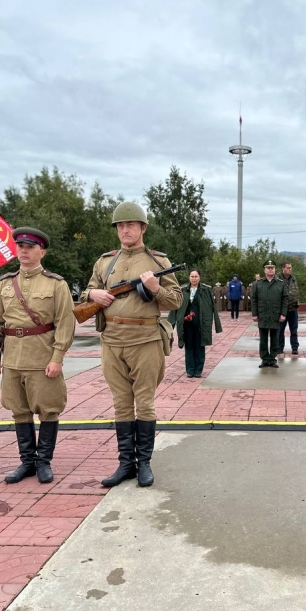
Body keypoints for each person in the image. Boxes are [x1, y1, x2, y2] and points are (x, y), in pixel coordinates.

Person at [81, 202, 182, 488]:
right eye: (120, 226)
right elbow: (88, 291)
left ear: (143, 228)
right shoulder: (105, 262)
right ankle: (126, 463)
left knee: (145, 403)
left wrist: (155, 289)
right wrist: (94, 294)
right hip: (112, 341)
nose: (125, 230)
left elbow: (175, 301)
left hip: (145, 341)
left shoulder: (158, 261)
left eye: (131, 225)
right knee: (121, 404)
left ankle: (144, 464)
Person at [0, 227, 76, 484]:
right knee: (19, 411)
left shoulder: (56, 284)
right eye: (20, 247)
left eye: (30, 247)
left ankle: (43, 462)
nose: (24, 251)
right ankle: (27, 462)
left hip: (42, 357)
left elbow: (65, 323)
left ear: (42, 251)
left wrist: (57, 357)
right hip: (13, 359)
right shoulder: (4, 284)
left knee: (49, 411)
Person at [168, 269, 222, 378]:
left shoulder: (206, 290)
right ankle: (190, 369)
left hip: (200, 324)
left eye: (196, 276)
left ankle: (198, 370)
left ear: (199, 277)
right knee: (189, 346)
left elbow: (213, 308)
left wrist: (217, 325)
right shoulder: (183, 290)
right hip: (186, 325)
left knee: (199, 346)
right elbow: (175, 307)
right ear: (189, 277)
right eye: (192, 276)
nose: (194, 279)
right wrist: (170, 325)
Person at [251, 259, 287, 368]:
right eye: (268, 268)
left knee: (275, 338)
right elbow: (254, 299)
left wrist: (283, 314)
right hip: (263, 314)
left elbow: (285, 299)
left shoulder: (281, 284)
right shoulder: (258, 284)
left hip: (275, 314)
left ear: (275, 270)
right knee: (263, 339)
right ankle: (265, 359)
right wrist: (254, 314)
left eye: (272, 268)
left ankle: (272, 359)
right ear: (264, 270)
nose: (270, 270)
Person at [278, 262, 300, 355]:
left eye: (291, 268)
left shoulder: (293, 278)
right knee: (280, 330)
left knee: (294, 330)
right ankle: (279, 348)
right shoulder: (277, 279)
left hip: (293, 309)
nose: (290, 269)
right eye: (288, 268)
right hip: (282, 309)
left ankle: (294, 347)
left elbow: (296, 291)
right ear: (283, 269)